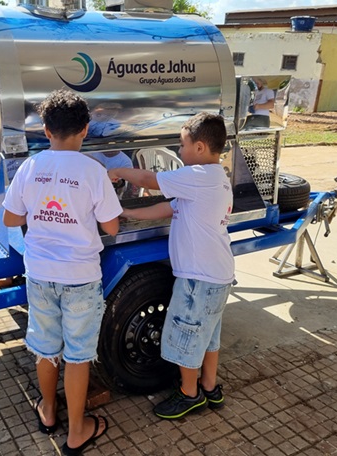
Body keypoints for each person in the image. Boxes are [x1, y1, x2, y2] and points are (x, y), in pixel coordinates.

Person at [2, 89, 121, 455]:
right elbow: (112, 227)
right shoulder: (93, 170)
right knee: (78, 354)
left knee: (46, 347)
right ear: (86, 129)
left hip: (39, 271)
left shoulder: (31, 166)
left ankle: (49, 412)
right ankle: (76, 433)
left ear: (46, 130)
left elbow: (11, 218)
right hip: (80, 276)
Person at [108, 112, 235, 420]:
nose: (179, 151)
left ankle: (189, 395)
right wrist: (125, 213)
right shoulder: (215, 178)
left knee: (187, 335)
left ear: (201, 148)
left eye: (182, 145)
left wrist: (117, 170)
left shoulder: (198, 176)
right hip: (217, 274)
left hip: (198, 278)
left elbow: (151, 181)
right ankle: (210, 387)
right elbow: (168, 207)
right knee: (207, 336)